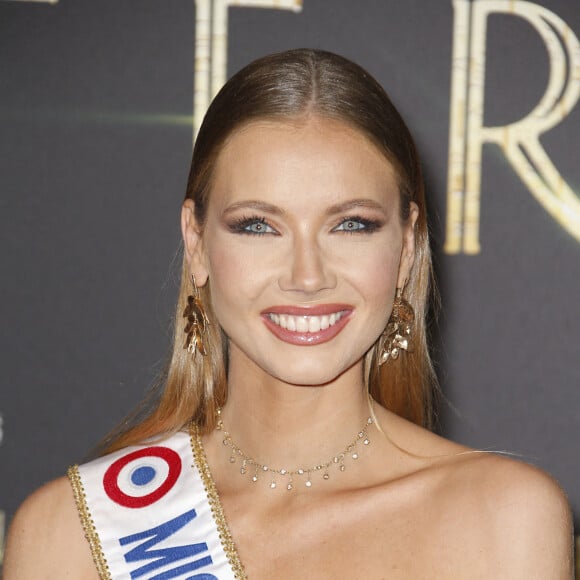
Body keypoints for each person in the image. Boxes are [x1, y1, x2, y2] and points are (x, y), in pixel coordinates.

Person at [4, 48, 573, 579]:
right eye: (259, 225)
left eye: (351, 224)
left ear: (405, 249)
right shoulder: (68, 535)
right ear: (197, 243)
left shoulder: (503, 521)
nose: (307, 276)